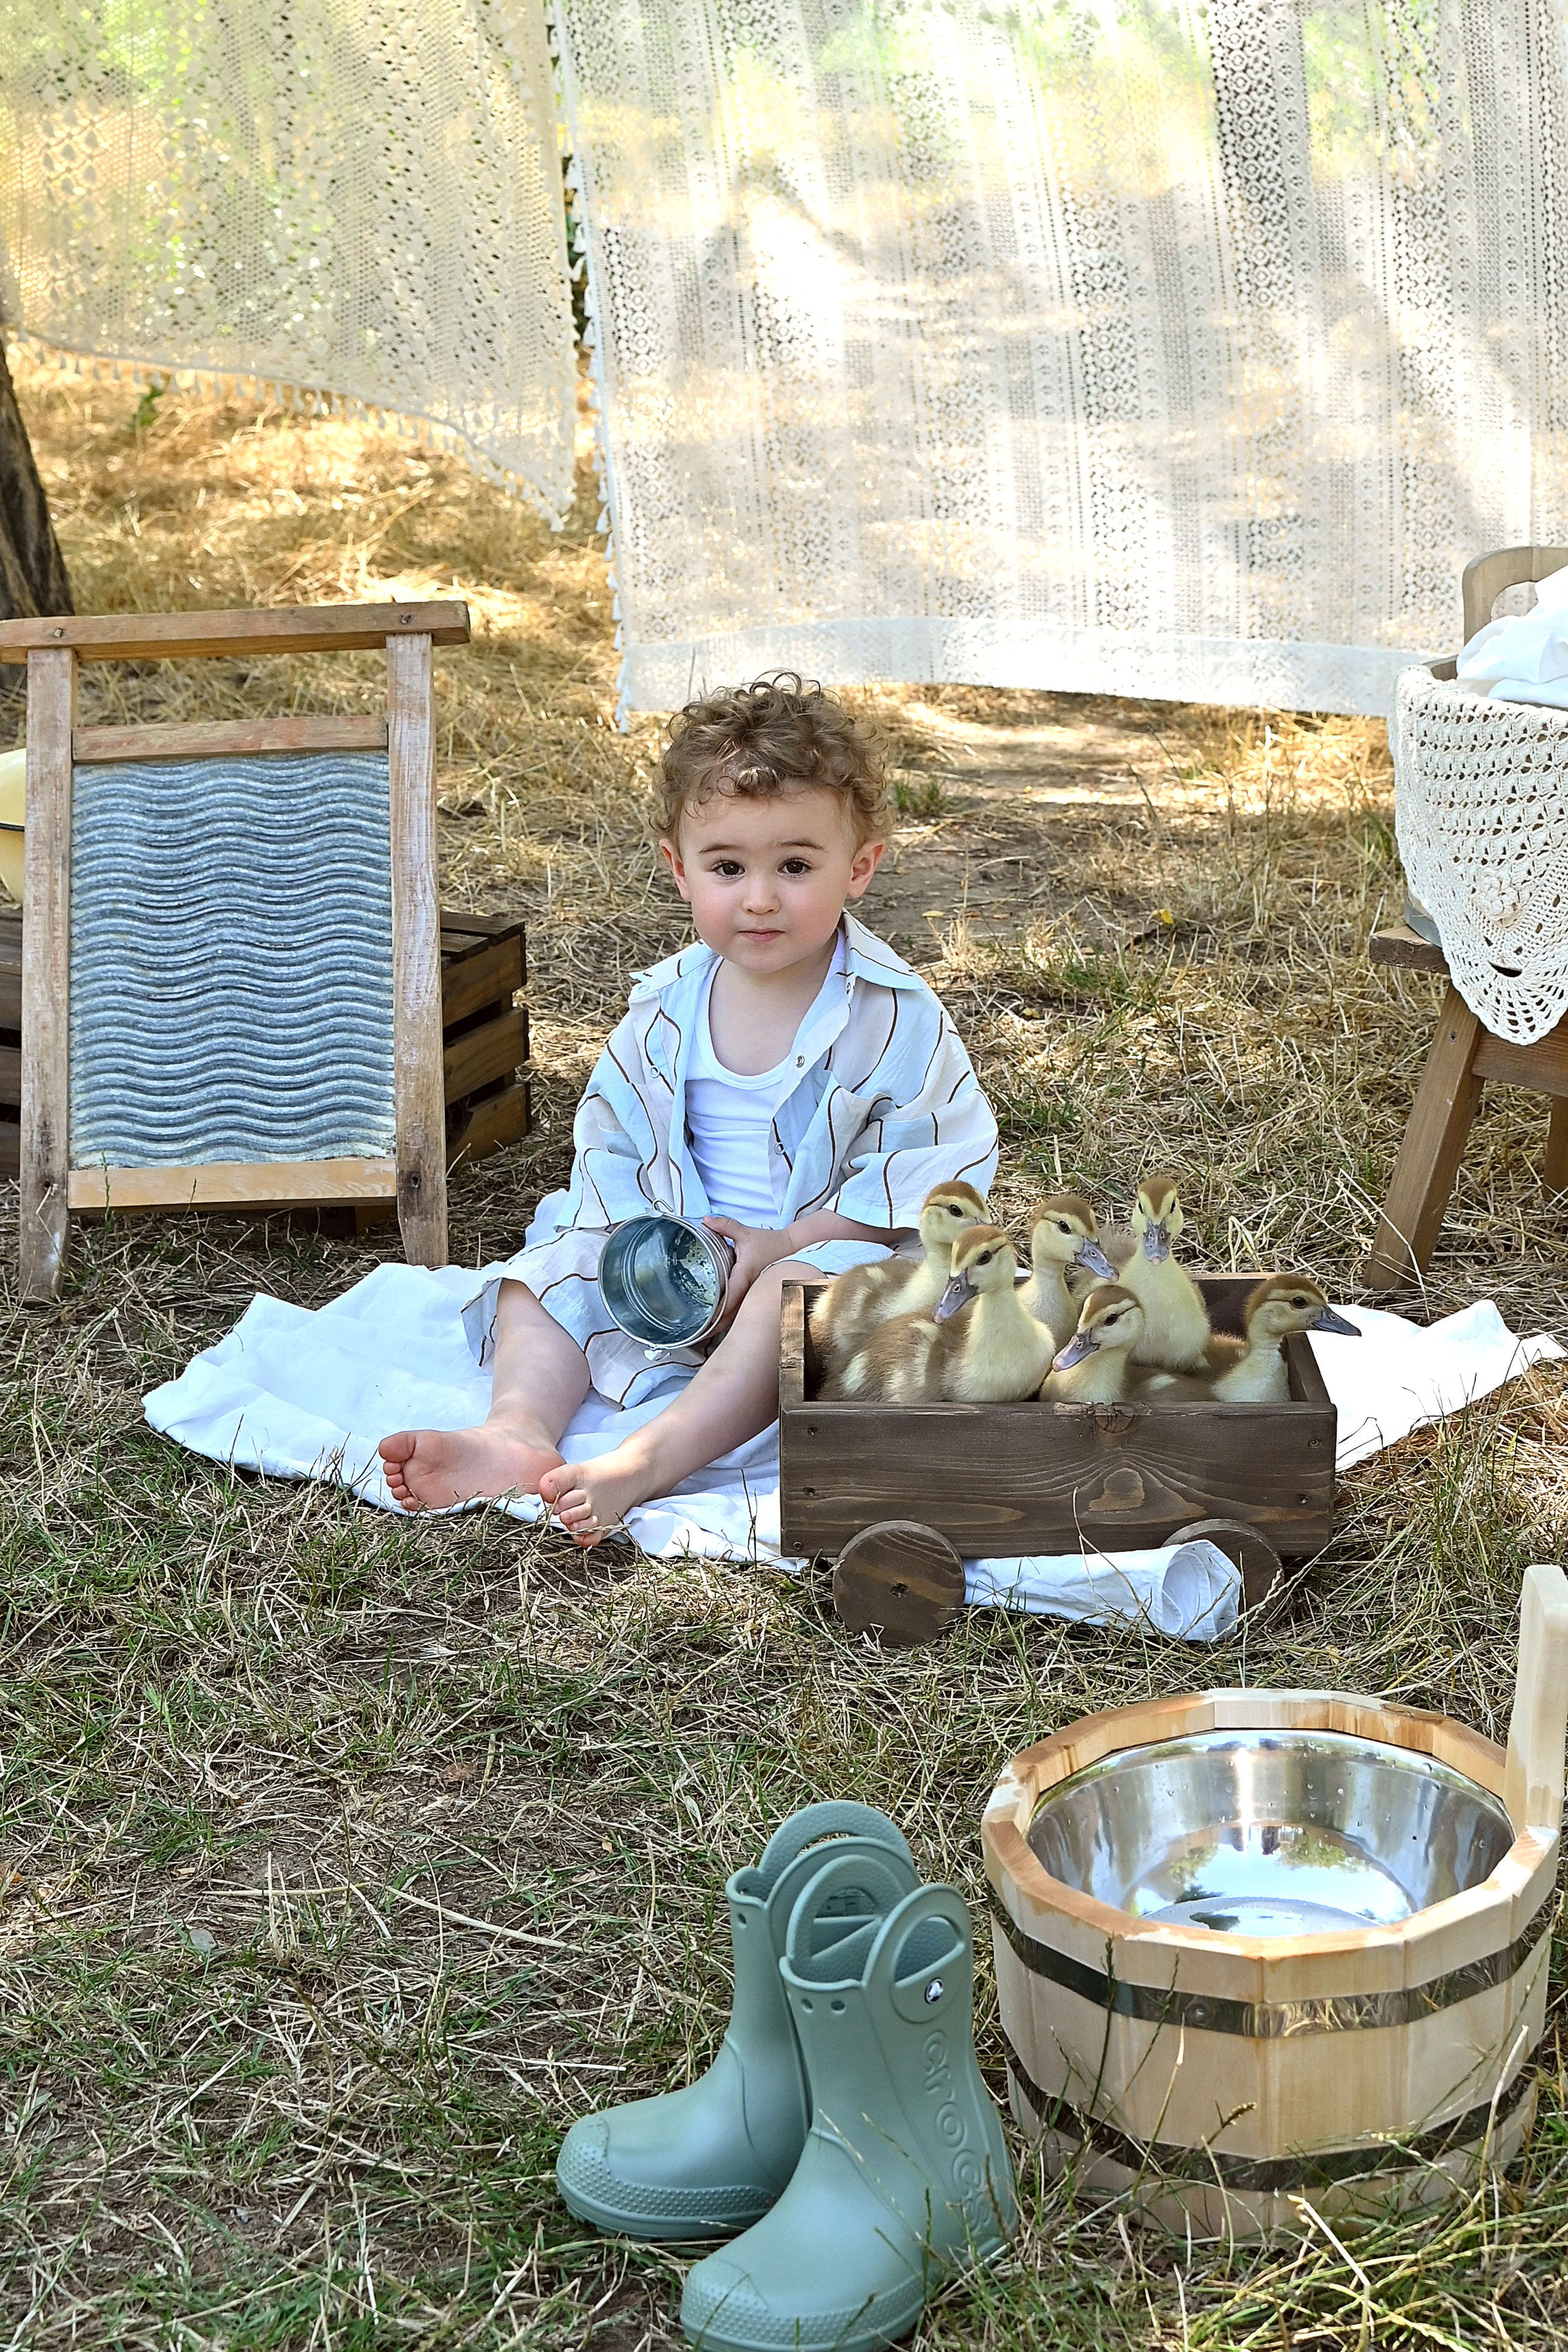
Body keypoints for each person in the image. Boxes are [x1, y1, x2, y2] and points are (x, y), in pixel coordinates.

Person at [377, 674, 998, 1545]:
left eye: (795, 865)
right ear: (679, 867)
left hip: (812, 1262)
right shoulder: (664, 1010)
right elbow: (614, 1138)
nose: (759, 898)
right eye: (728, 867)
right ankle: (515, 1428)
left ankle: (649, 1459)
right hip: (675, 1264)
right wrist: (642, 1241)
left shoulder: (893, 1017)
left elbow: (923, 1172)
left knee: (792, 1300)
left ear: (859, 866)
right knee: (551, 1267)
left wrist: (783, 1244)